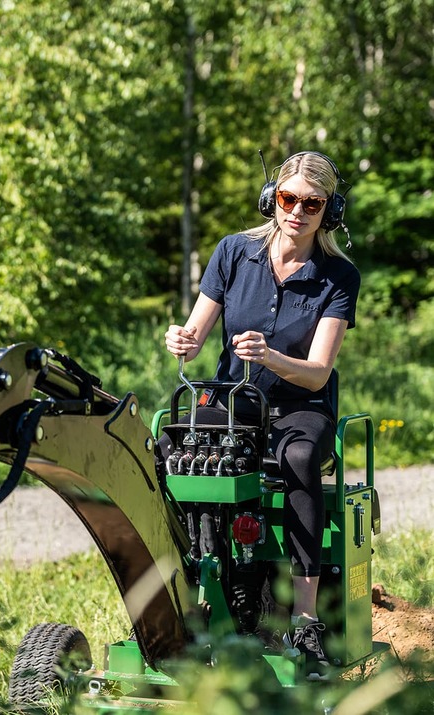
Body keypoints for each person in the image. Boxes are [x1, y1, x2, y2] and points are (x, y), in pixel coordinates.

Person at [163, 151, 360, 677]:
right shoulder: (233, 253)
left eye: (311, 203)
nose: (297, 210)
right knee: (169, 449)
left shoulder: (338, 276)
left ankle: (304, 618)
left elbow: (318, 372)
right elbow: (196, 334)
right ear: (272, 198)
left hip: (302, 406)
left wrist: (271, 357)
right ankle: (189, 595)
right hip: (237, 402)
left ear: (329, 211)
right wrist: (179, 340)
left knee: (298, 458)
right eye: (287, 197)